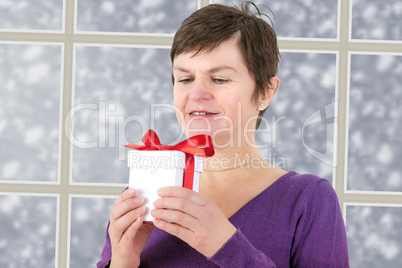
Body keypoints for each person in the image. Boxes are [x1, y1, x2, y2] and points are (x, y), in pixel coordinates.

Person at [98, 2, 349, 267]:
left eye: (219, 79)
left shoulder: (307, 200)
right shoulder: (143, 194)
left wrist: (226, 246)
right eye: (185, 79)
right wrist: (123, 261)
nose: (196, 95)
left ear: (266, 91)